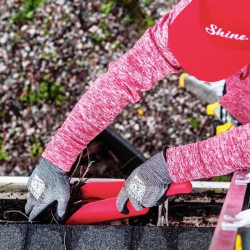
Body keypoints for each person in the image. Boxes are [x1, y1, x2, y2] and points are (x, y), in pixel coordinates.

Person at [25, 0, 250, 223]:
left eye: (217, 55)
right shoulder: (194, 13)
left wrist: (169, 167)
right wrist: (57, 157)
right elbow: (124, 78)